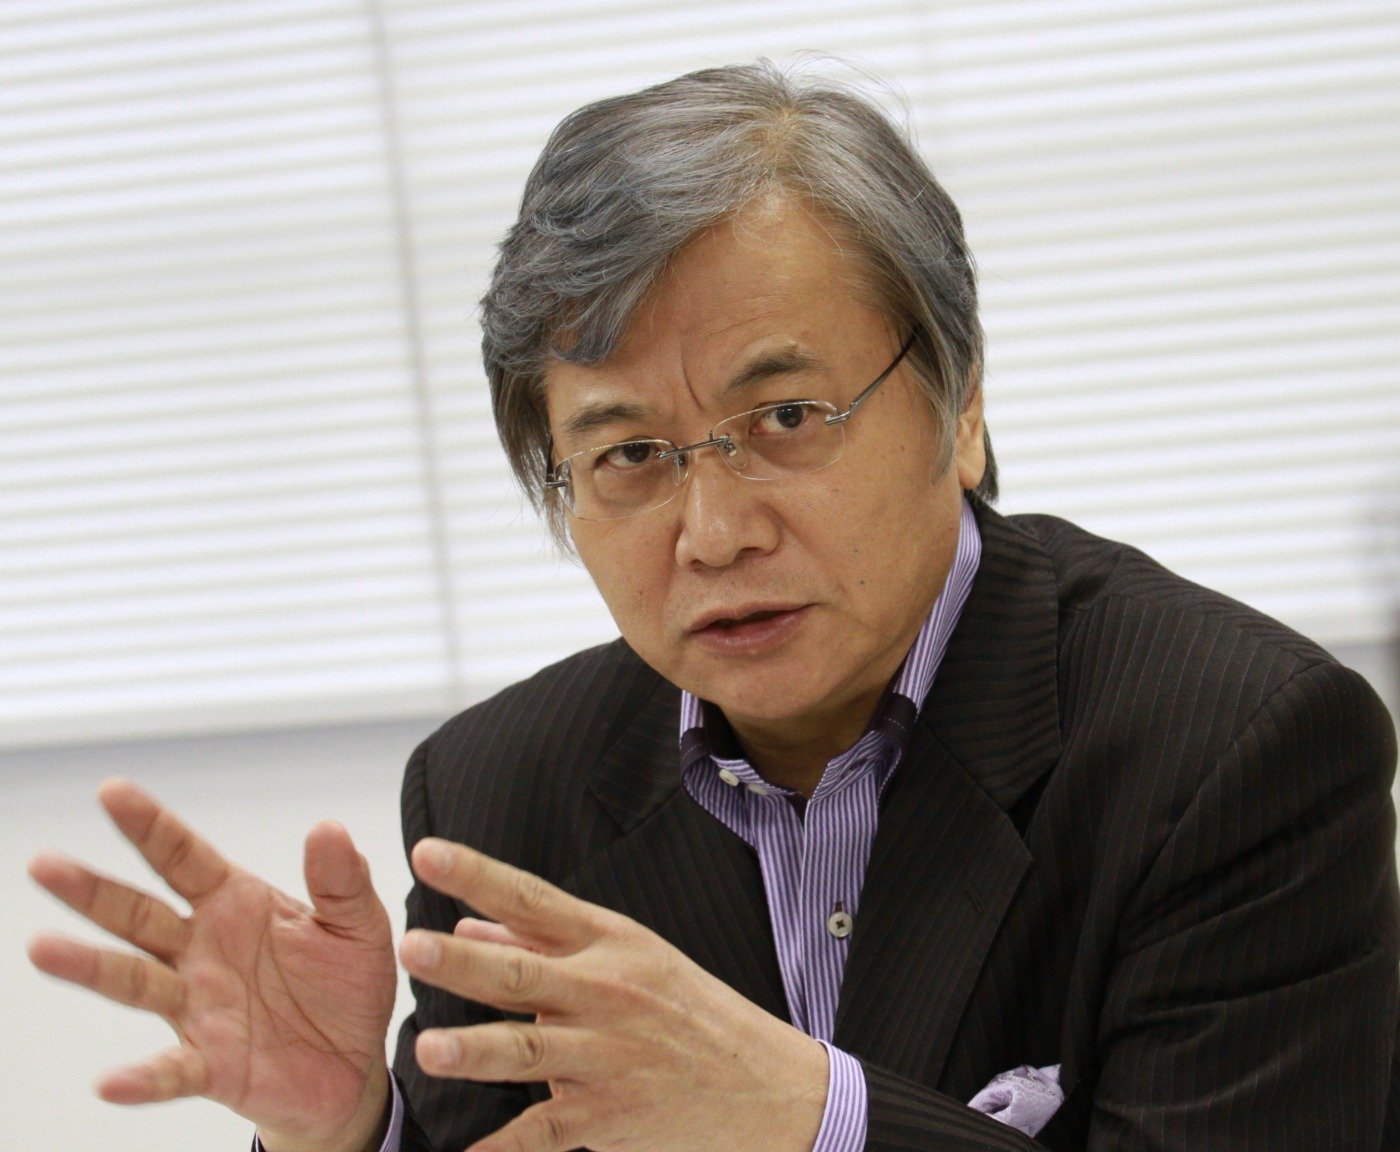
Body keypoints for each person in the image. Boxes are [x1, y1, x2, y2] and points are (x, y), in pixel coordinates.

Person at [27, 60, 1400, 1152]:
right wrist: (350, 1130)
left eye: (786, 417)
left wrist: (812, 1116)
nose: (714, 532)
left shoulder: (1239, 751)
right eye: (629, 455)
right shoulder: (500, 799)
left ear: (963, 405)